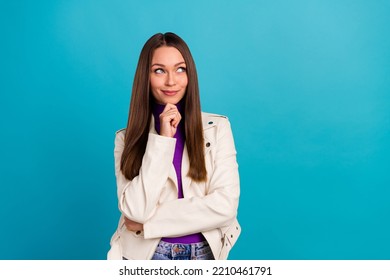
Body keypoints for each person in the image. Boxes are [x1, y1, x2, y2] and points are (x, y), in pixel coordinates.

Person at [107, 32, 241, 260]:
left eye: (180, 69)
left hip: (204, 255)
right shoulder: (126, 138)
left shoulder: (217, 128)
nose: (171, 80)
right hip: (147, 256)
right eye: (159, 70)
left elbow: (225, 206)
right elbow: (136, 209)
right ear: (145, 77)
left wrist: (147, 224)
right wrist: (163, 139)